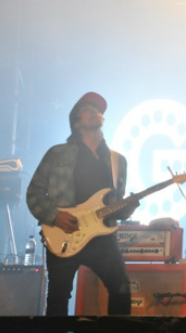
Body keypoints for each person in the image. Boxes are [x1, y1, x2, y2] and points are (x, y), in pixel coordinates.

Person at [26, 92, 137, 316]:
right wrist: (54, 216)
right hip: (64, 232)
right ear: (76, 122)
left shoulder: (118, 161)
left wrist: (129, 207)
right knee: (58, 297)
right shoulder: (57, 154)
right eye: (88, 109)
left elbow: (116, 207)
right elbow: (34, 194)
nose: (95, 112)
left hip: (102, 237)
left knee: (121, 289)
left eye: (98, 110)